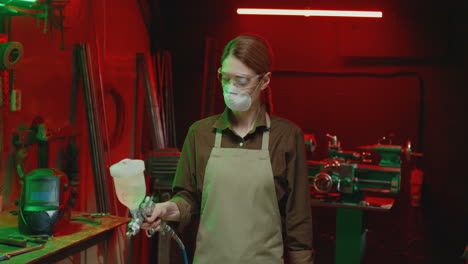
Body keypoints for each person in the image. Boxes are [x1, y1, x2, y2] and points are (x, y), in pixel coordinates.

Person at [142, 33, 314, 264]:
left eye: (241, 80)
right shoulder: (200, 134)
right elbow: (188, 199)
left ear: (264, 81)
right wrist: (166, 209)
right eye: (225, 77)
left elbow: (298, 219)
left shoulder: (285, 137)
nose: (230, 87)